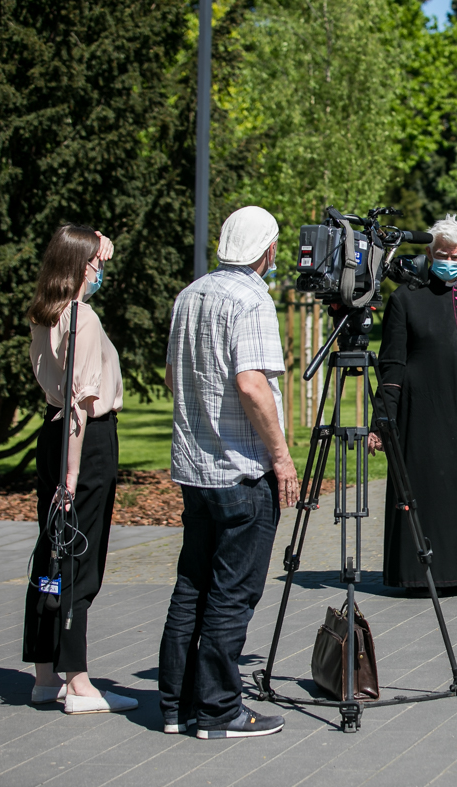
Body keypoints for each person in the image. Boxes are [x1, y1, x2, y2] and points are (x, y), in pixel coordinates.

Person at [159, 206, 299, 739]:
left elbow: (172, 376)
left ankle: (176, 705)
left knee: (192, 586)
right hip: (240, 470)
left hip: (195, 469)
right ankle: (219, 710)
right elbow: (251, 383)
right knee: (231, 593)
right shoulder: (252, 299)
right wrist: (281, 457)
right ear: (268, 249)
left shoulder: (190, 295)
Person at [23, 225, 136, 714]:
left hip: (53, 435)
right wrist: (71, 477)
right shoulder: (81, 317)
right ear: (79, 267)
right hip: (84, 442)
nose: (101, 271)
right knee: (78, 555)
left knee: (51, 550)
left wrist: (94, 245)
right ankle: (79, 682)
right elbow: (81, 403)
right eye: (96, 264)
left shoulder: (46, 313)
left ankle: (45, 674)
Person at [368, 215, 457, 594]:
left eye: (456, 256)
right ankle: (421, 576)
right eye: (442, 255)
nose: (449, 262)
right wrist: (381, 421)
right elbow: (392, 365)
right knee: (427, 491)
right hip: (423, 413)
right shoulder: (405, 298)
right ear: (429, 252)